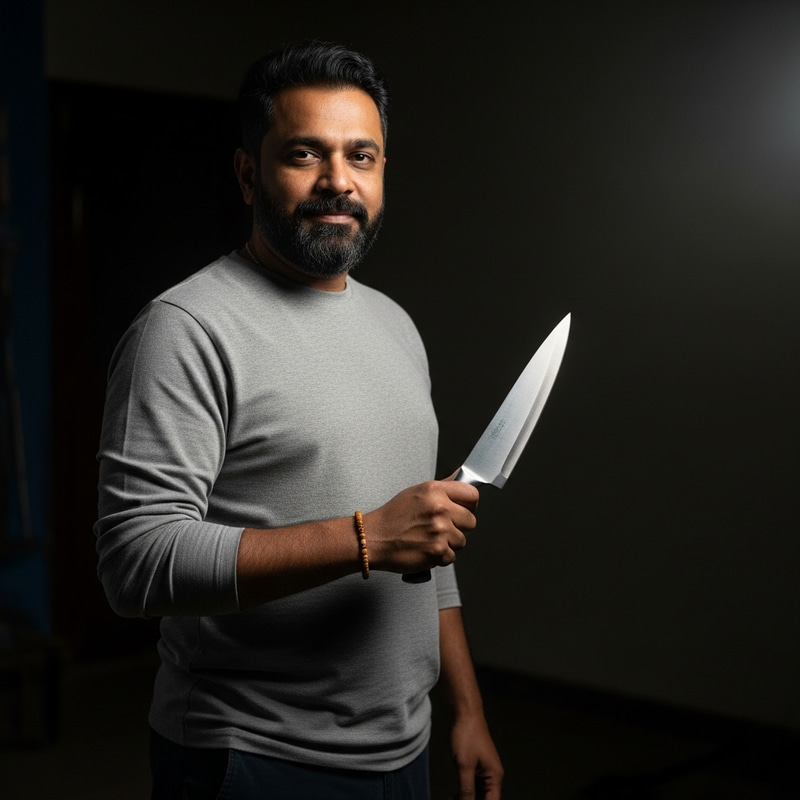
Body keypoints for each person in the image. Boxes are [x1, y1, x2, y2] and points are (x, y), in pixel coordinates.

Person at [94, 40, 503, 800]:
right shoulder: (186, 328)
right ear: (250, 173)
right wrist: (363, 539)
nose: (338, 182)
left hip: (401, 750)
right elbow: (136, 562)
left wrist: (467, 709)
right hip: (251, 755)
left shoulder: (395, 325)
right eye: (305, 154)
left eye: (363, 156)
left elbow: (425, 540)